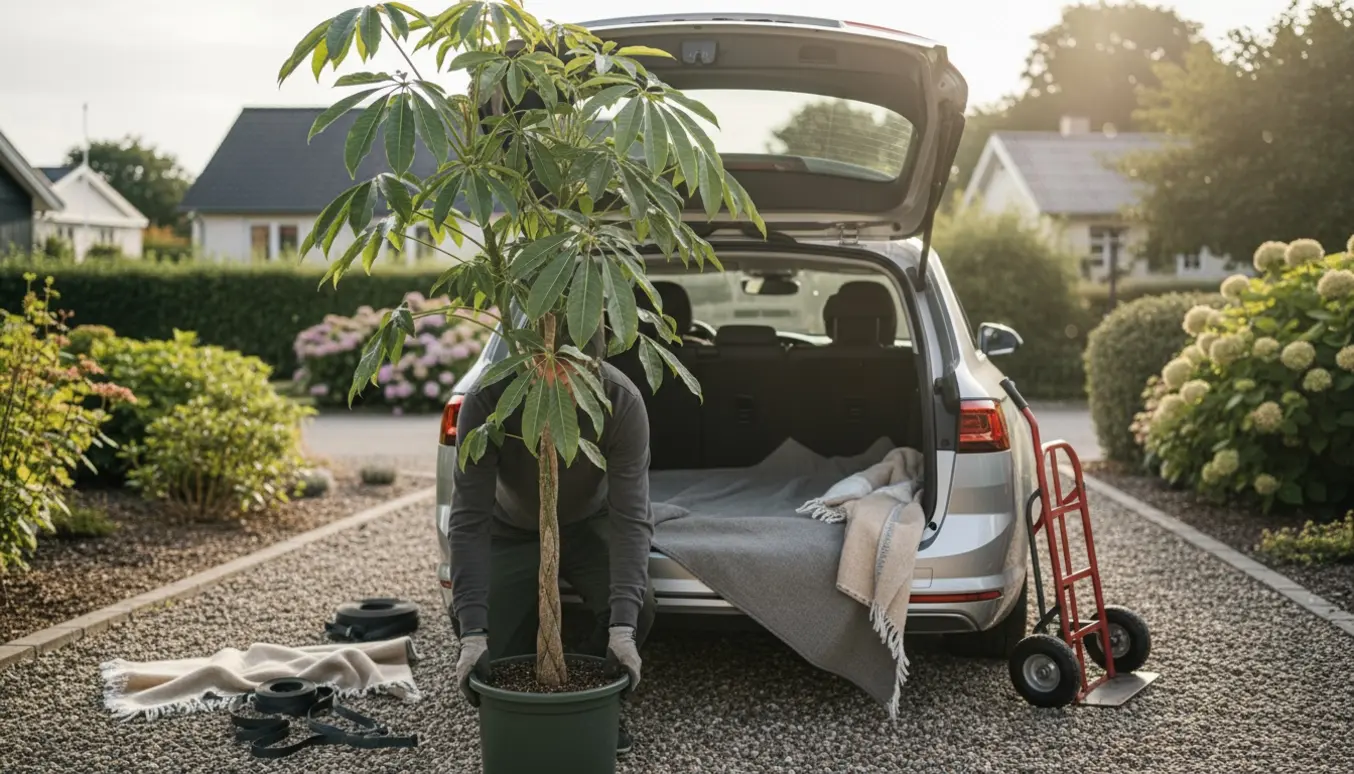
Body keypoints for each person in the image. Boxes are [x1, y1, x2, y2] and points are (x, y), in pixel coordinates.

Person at [448, 333, 657, 756]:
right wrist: (472, 632)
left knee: (640, 607)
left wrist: (622, 631)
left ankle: (591, 699)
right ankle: (533, 698)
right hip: (510, 529)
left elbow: (631, 519)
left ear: (593, 364)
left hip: (587, 523)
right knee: (490, 654)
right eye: (543, 361)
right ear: (523, 353)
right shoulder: (489, 397)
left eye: (570, 366)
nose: (554, 378)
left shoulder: (621, 400)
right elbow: (468, 518)